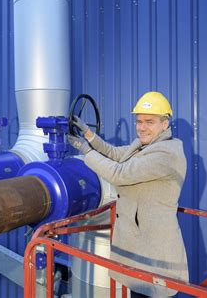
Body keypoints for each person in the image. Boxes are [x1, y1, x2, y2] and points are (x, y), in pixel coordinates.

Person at [68, 91, 188, 297]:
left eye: (149, 122)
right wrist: (88, 134)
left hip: (155, 251)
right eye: (139, 121)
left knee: (154, 291)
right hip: (138, 246)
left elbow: (119, 174)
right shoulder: (144, 145)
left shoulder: (166, 154)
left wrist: (86, 152)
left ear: (165, 124)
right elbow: (115, 154)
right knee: (138, 289)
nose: (142, 128)